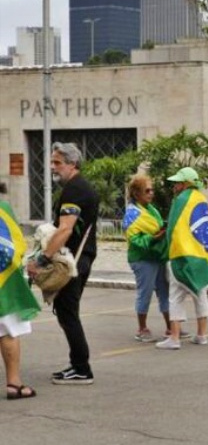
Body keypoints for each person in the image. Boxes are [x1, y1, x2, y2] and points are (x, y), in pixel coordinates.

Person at [27, 142, 99, 385]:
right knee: (68, 314)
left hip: (74, 261)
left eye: (57, 162)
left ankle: (82, 368)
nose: (52, 167)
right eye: (52, 162)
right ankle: (77, 365)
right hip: (81, 258)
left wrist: (40, 259)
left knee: (68, 314)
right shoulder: (77, 187)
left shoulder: (75, 190)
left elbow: (65, 229)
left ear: (72, 164)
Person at [156, 167, 208, 350]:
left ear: (185, 184)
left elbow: (173, 227)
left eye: (177, 183)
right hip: (201, 256)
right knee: (200, 293)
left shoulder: (180, 200)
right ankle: (201, 335)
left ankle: (174, 337)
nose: (174, 186)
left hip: (181, 255)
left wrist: (166, 249)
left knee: (175, 296)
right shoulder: (201, 199)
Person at [0, 184, 41, 399]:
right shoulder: (3, 209)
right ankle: (14, 384)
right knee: (9, 330)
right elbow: (14, 246)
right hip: (4, 284)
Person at [123, 174, 171, 342]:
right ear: (136, 194)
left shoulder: (151, 209)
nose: (151, 193)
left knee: (164, 291)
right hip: (142, 258)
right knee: (145, 292)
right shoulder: (132, 213)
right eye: (147, 190)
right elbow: (134, 239)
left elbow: (156, 226)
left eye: (152, 190)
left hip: (157, 255)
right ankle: (142, 328)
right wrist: (153, 238)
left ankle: (171, 327)